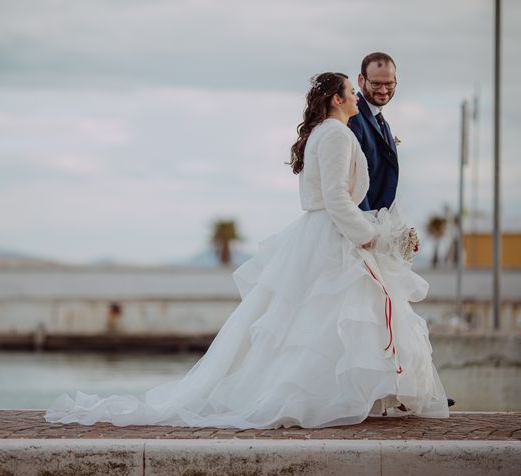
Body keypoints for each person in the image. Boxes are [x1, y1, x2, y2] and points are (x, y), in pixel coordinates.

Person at [45, 72, 449, 429]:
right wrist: (373, 237)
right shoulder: (337, 135)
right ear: (337, 99)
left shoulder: (324, 134)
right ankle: (323, 396)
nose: (359, 97)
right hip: (333, 237)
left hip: (322, 235)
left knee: (320, 321)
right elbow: (337, 198)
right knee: (333, 318)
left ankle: (345, 395)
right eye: (351, 91)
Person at [348, 52, 399, 211]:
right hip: (363, 222)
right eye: (376, 83)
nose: (383, 90)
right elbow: (352, 179)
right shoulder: (353, 117)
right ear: (361, 80)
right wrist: (366, 224)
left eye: (389, 83)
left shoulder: (383, 122)